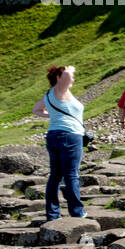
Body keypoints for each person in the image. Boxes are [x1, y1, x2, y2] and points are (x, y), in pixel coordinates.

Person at [33, 64, 86, 220]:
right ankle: (77, 212)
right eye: (65, 76)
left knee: (55, 176)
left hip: (53, 135)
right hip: (70, 135)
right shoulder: (60, 89)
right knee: (71, 175)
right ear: (58, 77)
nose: (73, 79)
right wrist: (70, 69)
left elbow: (36, 110)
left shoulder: (49, 94)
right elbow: (68, 77)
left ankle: (52, 214)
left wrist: (52, 117)